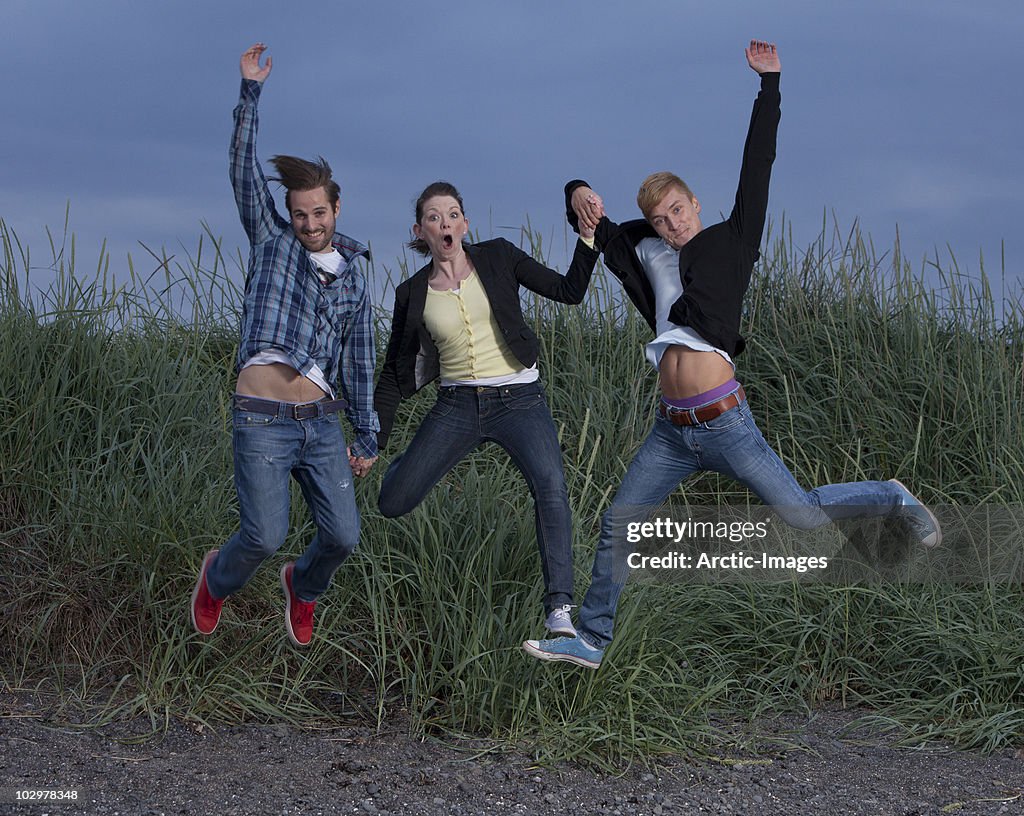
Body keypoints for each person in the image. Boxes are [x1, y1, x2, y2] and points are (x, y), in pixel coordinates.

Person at [523, 40, 941, 670]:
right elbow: (592, 222)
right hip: (670, 430)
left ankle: (890, 495)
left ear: (695, 204)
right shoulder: (648, 253)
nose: (671, 225)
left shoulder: (731, 239)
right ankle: (592, 639)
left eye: (677, 211)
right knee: (619, 522)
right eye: (660, 220)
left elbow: (758, 162)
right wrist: (576, 187)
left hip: (725, 420)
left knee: (801, 518)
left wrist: (769, 86)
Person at [190, 43, 379, 647]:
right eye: (299, 214)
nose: (309, 224)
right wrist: (250, 91)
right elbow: (243, 170)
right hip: (262, 417)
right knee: (262, 536)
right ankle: (216, 583)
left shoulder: (354, 272)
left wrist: (368, 434)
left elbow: (358, 359)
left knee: (344, 535)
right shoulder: (273, 242)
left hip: (321, 422)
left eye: (318, 213)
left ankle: (303, 585)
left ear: (336, 206)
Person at [373, 181, 601, 637]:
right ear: (421, 230)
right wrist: (370, 440)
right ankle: (407, 461)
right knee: (392, 501)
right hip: (456, 404)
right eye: (434, 217)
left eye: (453, 214)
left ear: (465, 224)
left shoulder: (498, 256)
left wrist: (587, 235)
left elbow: (569, 290)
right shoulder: (412, 294)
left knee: (551, 486)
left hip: (520, 399)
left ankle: (559, 610)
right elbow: (395, 376)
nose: (445, 224)